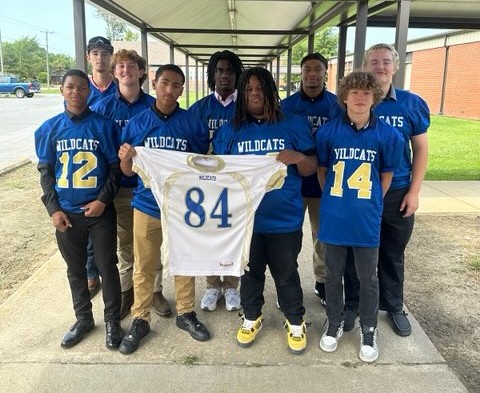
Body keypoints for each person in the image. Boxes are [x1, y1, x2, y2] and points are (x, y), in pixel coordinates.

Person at [213, 67, 317, 355]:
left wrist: (298, 157)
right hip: (246, 221)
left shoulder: (292, 124)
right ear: (241, 95)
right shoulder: (230, 130)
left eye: (260, 88)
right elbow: (218, 173)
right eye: (248, 90)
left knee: (286, 273)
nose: (255, 94)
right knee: (250, 272)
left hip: (285, 218)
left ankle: (295, 319)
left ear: (271, 91)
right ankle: (251, 315)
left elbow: (311, 167)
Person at [117, 64, 210, 355]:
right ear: (154, 84)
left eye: (177, 85)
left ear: (182, 88)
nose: (170, 90)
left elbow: (199, 165)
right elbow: (129, 173)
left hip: (182, 204)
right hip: (147, 204)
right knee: (144, 265)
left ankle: (185, 312)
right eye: (165, 83)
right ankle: (140, 317)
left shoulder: (193, 123)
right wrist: (124, 158)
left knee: (184, 260)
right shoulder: (138, 123)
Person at [316, 71, 403, 362]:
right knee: (333, 274)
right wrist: (335, 202)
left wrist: (368, 203)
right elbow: (322, 173)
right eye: (354, 92)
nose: (360, 97)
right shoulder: (328, 132)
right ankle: (335, 320)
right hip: (335, 216)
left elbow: (386, 177)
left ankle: (368, 328)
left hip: (365, 217)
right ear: (344, 96)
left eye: (366, 92)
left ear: (374, 97)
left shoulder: (388, 134)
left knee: (368, 277)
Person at [344, 43, 430, 337]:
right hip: (359, 191)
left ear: (395, 66)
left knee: (392, 252)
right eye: (373, 62)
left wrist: (414, 192)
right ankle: (352, 303)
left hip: (397, 191)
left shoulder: (411, 103)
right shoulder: (353, 99)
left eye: (385, 62)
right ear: (365, 65)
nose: (379, 67)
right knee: (356, 251)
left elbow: (420, 149)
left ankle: (393, 305)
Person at [34, 69, 123, 349]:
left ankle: (112, 321)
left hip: (99, 210)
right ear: (62, 90)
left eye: (82, 87)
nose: (76, 92)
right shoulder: (49, 128)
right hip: (67, 211)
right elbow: (46, 172)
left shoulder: (105, 126)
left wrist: (103, 201)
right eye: (70, 87)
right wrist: (53, 209)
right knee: (75, 270)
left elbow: (114, 170)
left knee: (107, 266)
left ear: (89, 91)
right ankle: (83, 318)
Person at [91, 49, 170, 320]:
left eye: (132, 66)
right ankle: (129, 291)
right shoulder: (102, 108)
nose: (126, 70)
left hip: (149, 187)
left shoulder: (153, 105)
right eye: (121, 67)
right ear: (113, 73)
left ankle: (155, 289)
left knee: (151, 242)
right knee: (125, 243)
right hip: (117, 185)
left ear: (141, 72)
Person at [281, 52, 339, 307]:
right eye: (307, 69)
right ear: (301, 73)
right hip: (293, 180)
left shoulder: (337, 106)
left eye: (318, 69)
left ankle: (322, 282)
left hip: (324, 179)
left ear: (326, 72)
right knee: (289, 236)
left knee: (322, 236)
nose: (312, 74)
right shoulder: (287, 106)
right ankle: (288, 284)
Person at [188, 50, 244, 312]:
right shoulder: (199, 109)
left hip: (234, 184)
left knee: (233, 233)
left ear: (237, 75)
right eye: (220, 71)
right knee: (209, 234)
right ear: (212, 74)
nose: (224, 76)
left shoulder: (245, 107)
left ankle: (232, 285)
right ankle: (212, 284)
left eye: (230, 71)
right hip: (206, 183)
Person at [84, 36, 118, 297]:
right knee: (91, 221)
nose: (100, 58)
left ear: (111, 57)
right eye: (95, 53)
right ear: (89, 57)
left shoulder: (123, 87)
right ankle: (91, 271)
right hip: (92, 166)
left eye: (104, 53)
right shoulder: (82, 90)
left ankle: (113, 274)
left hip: (118, 163)